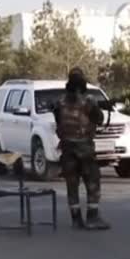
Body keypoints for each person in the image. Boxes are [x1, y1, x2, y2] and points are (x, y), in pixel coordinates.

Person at [53, 67, 111, 231]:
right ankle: (92, 217)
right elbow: (99, 119)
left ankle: (76, 220)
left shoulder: (60, 102)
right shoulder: (88, 102)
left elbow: (59, 122)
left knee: (72, 184)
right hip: (84, 148)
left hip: (67, 149)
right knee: (92, 181)